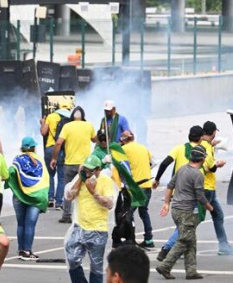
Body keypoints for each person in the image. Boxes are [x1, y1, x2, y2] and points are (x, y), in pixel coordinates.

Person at [155, 145, 213, 280]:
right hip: (187, 211)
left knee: (191, 240)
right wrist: (210, 207)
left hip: (176, 209)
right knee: (184, 240)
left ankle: (191, 270)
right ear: (203, 159)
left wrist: (166, 203)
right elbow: (200, 196)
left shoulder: (181, 169)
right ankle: (165, 266)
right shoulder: (198, 174)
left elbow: (170, 186)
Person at [64, 155, 115, 283]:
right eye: (85, 170)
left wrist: (94, 192)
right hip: (79, 227)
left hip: (98, 229)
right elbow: (69, 196)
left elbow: (109, 204)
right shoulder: (81, 180)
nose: (88, 173)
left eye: (91, 170)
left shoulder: (105, 181)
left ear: (98, 169)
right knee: (72, 259)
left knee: (96, 267)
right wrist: (80, 178)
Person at [5, 137, 49, 261]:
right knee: (30, 225)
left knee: (21, 224)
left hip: (19, 197)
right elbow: (45, 180)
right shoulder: (39, 160)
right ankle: (27, 250)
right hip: (35, 197)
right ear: (34, 148)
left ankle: (21, 250)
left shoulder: (17, 159)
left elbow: (11, 173)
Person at [199, 121, 233, 255]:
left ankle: (223, 245)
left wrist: (212, 145)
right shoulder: (205, 148)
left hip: (209, 188)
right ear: (214, 132)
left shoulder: (204, 145)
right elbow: (210, 167)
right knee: (195, 219)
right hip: (206, 188)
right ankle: (172, 246)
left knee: (218, 215)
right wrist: (218, 164)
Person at [51, 106, 95, 224]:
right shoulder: (88, 125)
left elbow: (59, 142)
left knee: (69, 188)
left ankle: (66, 215)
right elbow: (95, 140)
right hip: (85, 165)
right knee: (87, 189)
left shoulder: (67, 126)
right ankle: (86, 214)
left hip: (69, 163)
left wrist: (54, 158)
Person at [120, 131, 155, 248]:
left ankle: (130, 238)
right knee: (143, 211)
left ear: (123, 140)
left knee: (128, 212)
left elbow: (120, 166)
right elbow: (154, 162)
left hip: (135, 186)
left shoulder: (124, 149)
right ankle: (149, 239)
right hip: (147, 184)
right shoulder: (143, 148)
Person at [40, 102, 71, 209]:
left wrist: (43, 123)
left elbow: (43, 132)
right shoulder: (70, 119)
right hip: (62, 149)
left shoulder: (51, 116)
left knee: (50, 174)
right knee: (61, 177)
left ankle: (50, 198)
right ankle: (59, 202)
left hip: (49, 148)